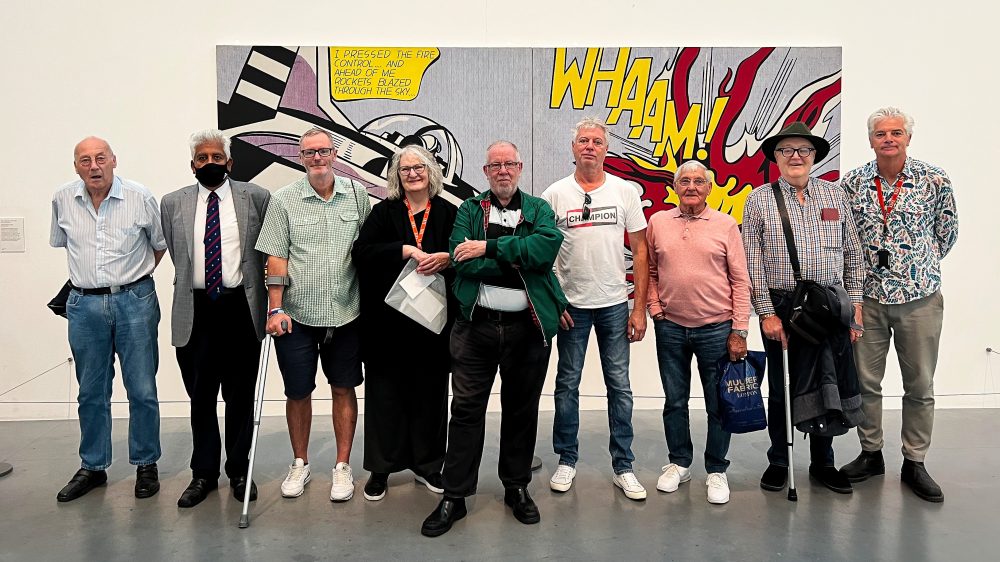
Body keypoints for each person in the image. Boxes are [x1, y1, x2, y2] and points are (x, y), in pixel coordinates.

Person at [420, 141, 567, 537]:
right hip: (475, 328)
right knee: (466, 410)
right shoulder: (470, 209)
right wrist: (513, 257)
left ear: (519, 167)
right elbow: (458, 258)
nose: (502, 170)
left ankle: (516, 488)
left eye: (509, 164)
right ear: (485, 172)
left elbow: (545, 251)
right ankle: (455, 495)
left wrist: (488, 247)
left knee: (522, 409)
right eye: (494, 165)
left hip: (527, 329)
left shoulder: (538, 209)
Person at [839, 107, 958, 503]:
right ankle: (871, 453)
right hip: (867, 299)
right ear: (870, 140)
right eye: (880, 133)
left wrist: (915, 266)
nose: (888, 138)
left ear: (908, 138)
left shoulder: (934, 180)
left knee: (920, 385)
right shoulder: (852, 183)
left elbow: (947, 232)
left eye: (896, 132)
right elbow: (843, 237)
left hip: (919, 297)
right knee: (865, 383)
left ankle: (915, 461)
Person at [742, 121, 865, 495]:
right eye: (787, 150)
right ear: (776, 157)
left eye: (803, 150)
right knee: (782, 386)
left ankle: (823, 462)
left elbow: (853, 253)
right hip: (784, 306)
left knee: (831, 383)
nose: (796, 157)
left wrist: (855, 304)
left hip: (830, 304)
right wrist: (766, 312)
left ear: (814, 156)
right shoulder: (759, 199)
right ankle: (779, 459)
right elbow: (752, 260)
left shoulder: (835, 195)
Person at [255, 126, 371, 502]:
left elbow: (369, 251)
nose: (317, 158)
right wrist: (275, 307)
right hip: (297, 317)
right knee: (298, 391)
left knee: (344, 387)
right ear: (300, 158)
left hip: (346, 314)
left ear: (335, 154)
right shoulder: (284, 199)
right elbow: (276, 257)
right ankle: (300, 462)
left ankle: (342, 467)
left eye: (322, 151)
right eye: (309, 153)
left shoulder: (358, 196)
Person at [51, 136, 167, 502]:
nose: (94, 166)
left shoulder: (139, 196)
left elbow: (160, 244)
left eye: (100, 158)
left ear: (114, 160)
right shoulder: (62, 199)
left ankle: (146, 464)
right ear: (76, 166)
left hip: (134, 300)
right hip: (84, 306)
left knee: (142, 389)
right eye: (84, 160)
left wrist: (134, 278)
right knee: (91, 391)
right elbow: (62, 244)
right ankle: (93, 466)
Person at [160, 129, 271, 508]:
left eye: (216, 157)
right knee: (201, 397)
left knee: (240, 395)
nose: (210, 163)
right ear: (192, 165)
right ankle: (203, 473)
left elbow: (265, 255)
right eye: (202, 158)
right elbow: (178, 256)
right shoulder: (172, 203)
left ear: (230, 162)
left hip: (241, 308)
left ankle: (239, 470)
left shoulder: (255, 197)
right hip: (196, 310)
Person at [541, 117, 650, 500]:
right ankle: (566, 460)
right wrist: (556, 301)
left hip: (615, 306)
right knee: (566, 385)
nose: (590, 146)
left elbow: (640, 250)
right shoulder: (555, 194)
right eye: (583, 141)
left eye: (597, 141)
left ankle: (624, 465)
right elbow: (543, 254)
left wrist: (638, 308)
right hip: (572, 306)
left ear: (606, 149)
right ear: (573, 149)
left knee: (619, 385)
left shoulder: (624, 191)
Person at [351, 145, 457, 501]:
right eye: (405, 169)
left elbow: (465, 255)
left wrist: (446, 258)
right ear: (396, 176)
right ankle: (380, 469)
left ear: (431, 172)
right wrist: (405, 250)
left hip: (433, 324)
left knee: (430, 396)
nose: (412, 174)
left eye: (419, 167)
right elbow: (361, 254)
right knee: (384, 397)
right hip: (388, 326)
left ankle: (429, 465)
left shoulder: (449, 212)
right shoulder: (383, 213)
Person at [646, 160, 751, 505]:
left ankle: (717, 469)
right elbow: (650, 270)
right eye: (684, 181)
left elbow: (739, 280)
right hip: (671, 328)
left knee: (718, 403)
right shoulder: (658, 222)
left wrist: (739, 329)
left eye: (698, 181)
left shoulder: (724, 225)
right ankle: (679, 463)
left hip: (716, 329)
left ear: (709, 188)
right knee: (674, 401)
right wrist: (655, 309)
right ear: (675, 187)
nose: (691, 186)